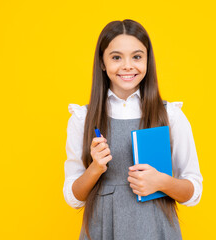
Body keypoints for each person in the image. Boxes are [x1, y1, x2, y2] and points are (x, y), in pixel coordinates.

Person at [63, 19, 203, 240]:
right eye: (116, 57)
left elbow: (193, 192)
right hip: (103, 228)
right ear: (102, 62)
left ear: (148, 60)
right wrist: (95, 168)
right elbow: (74, 197)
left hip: (156, 229)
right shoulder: (82, 119)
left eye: (137, 57)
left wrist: (161, 181)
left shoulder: (171, 115)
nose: (127, 66)